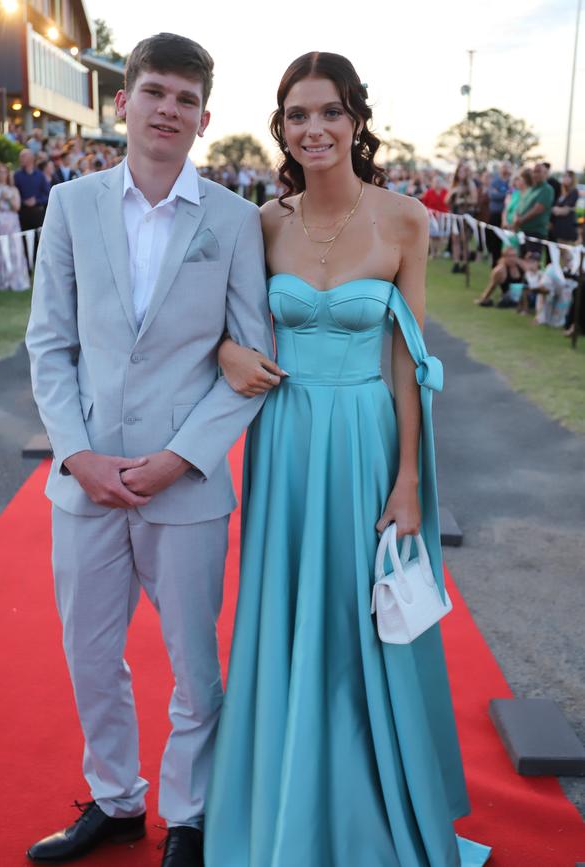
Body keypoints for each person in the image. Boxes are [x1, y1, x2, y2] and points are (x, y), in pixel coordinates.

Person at [205, 51, 491, 867]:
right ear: (282, 129)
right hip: (286, 440)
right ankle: (288, 795)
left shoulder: (406, 219)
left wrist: (409, 479)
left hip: (368, 436)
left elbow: (407, 356)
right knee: (291, 609)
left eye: (329, 112)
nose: (314, 128)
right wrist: (229, 348)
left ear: (357, 120)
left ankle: (374, 794)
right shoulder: (260, 223)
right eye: (298, 115)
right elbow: (218, 326)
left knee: (363, 615)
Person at [25, 32, 274, 867]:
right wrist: (76, 454)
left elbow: (250, 357)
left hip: (185, 485)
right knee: (91, 654)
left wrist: (181, 457)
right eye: (156, 91)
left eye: (186, 99)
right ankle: (117, 801)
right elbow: (49, 344)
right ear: (123, 99)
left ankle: (191, 815)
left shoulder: (237, 221)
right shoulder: (70, 205)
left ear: (205, 119)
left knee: (194, 664)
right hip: (85, 482)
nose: (169, 108)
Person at [0, 163, 30, 291]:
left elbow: (17, 207)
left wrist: (8, 199)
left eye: (4, 172)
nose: (1, 175)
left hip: (11, 221)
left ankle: (14, 279)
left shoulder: (13, 189)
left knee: (13, 249)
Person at [512, 163, 554, 256]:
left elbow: (538, 209)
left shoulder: (547, 189)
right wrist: (516, 218)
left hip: (535, 232)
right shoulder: (530, 189)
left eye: (538, 172)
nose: (535, 174)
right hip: (523, 231)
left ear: (545, 174)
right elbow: (520, 206)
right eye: (534, 172)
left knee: (531, 263)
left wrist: (520, 220)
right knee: (521, 259)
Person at [447, 162, 477, 273]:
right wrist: (452, 194)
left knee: (465, 241)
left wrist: (464, 200)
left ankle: (465, 263)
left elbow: (475, 200)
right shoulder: (454, 184)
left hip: (466, 215)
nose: (462, 173)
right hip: (455, 215)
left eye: (464, 171)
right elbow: (446, 200)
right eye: (460, 171)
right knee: (455, 240)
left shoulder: (471, 184)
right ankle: (456, 263)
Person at [474, 242, 525, 308]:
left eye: (514, 256)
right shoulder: (500, 270)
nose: (512, 259)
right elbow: (492, 286)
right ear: (504, 257)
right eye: (510, 256)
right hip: (509, 296)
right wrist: (484, 298)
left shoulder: (520, 265)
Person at [14, 148, 49, 232]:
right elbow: (14, 193)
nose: (20, 159)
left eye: (23, 156)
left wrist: (36, 201)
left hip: (38, 215)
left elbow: (47, 195)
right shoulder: (17, 175)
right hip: (23, 215)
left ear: (31, 158)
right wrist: (23, 201)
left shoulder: (40, 175)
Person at [486, 161, 511, 266]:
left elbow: (513, 194)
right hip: (495, 215)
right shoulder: (495, 181)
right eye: (503, 167)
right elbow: (492, 195)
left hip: (507, 217)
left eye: (507, 167)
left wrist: (501, 194)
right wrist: (506, 194)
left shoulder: (511, 181)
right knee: (494, 241)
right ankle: (495, 263)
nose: (505, 169)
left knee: (505, 242)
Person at [551, 170, 579, 244]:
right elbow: (558, 209)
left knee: (565, 251)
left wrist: (556, 209)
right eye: (564, 176)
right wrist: (558, 209)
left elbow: (565, 211)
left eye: (568, 176)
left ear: (572, 179)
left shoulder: (574, 191)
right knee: (559, 250)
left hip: (567, 226)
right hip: (559, 225)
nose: (565, 178)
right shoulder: (562, 192)